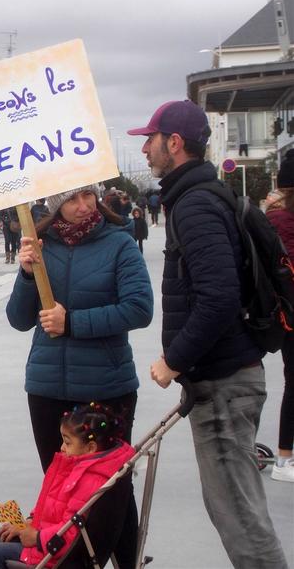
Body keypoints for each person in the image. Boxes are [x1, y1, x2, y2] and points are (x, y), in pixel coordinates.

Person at [128, 99, 288, 569]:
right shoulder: (199, 195)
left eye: (150, 141)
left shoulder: (195, 204)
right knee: (237, 508)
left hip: (223, 383)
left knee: (239, 515)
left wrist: (173, 360)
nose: (145, 151)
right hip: (226, 378)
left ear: (174, 143)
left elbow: (218, 298)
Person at [6, 184, 153, 568]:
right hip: (47, 386)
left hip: (106, 386)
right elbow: (19, 319)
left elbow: (139, 309)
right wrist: (25, 273)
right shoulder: (39, 245)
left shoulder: (119, 243)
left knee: (112, 490)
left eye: (88, 196)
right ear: (55, 204)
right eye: (71, 199)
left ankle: (126, 562)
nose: (83, 206)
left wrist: (73, 323)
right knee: (58, 488)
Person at [0, 403, 135, 569]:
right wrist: (30, 522)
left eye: (67, 442)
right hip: (51, 537)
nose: (62, 447)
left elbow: (72, 532)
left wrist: (37, 537)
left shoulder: (90, 480)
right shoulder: (79, 466)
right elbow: (52, 503)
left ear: (90, 448)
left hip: (59, 552)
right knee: (1, 537)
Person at [265, 150, 294, 483]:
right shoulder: (283, 222)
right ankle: (284, 457)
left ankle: (285, 455)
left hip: (283, 315)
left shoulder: (272, 218)